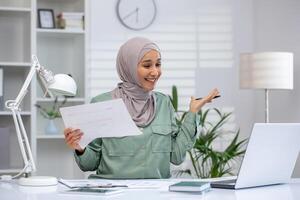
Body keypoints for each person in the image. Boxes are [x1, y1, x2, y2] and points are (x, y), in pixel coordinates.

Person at [64, 37, 219, 179]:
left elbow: (177, 157)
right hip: (114, 194)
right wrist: (80, 148)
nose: (155, 72)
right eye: (147, 65)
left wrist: (192, 113)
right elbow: (88, 165)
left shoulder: (164, 103)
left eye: (158, 64)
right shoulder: (102, 103)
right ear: (128, 66)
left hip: (155, 194)